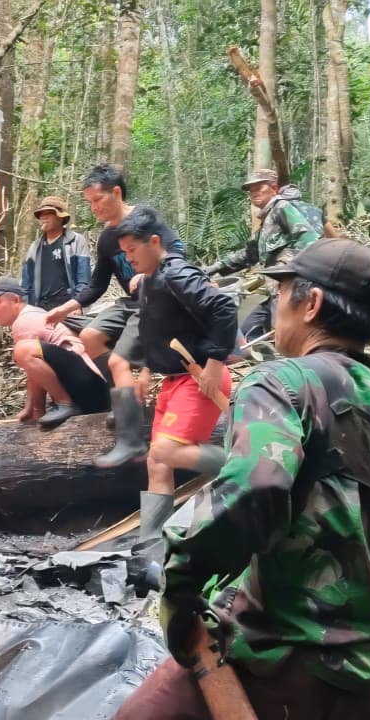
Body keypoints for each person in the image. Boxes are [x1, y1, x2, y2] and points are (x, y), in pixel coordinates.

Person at [115, 239, 370, 720]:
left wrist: (183, 582)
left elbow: (256, 488)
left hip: (277, 659)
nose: (274, 312)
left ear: (310, 305)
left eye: (281, 295)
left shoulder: (280, 382)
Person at [97, 206, 236, 568]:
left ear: (154, 242)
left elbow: (223, 306)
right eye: (124, 253)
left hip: (199, 377)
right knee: (158, 463)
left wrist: (214, 366)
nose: (128, 259)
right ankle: (151, 547)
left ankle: (243, 462)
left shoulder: (176, 273)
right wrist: (144, 372)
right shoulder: (150, 279)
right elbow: (154, 331)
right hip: (174, 379)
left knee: (165, 450)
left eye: (132, 251)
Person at [46, 165, 185, 436]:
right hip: (131, 303)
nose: (93, 208)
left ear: (117, 192)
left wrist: (150, 277)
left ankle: (130, 408)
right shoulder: (108, 238)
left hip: (160, 300)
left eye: (97, 200)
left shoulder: (146, 218)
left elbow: (178, 252)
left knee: (122, 354)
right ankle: (120, 397)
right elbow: (97, 284)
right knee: (89, 336)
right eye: (89, 203)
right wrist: (66, 308)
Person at [204, 168, 324, 341]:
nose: (254, 193)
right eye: (251, 190)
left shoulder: (282, 207)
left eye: (259, 188)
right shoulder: (267, 220)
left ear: (274, 188)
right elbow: (247, 255)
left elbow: (309, 238)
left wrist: (286, 266)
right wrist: (211, 269)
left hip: (288, 291)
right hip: (273, 291)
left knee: (283, 338)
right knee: (248, 332)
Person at [0, 276, 108, 428]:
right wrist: (30, 409)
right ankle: (62, 404)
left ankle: (65, 403)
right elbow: (35, 371)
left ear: (15, 300)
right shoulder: (33, 313)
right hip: (93, 389)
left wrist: (37, 411)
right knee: (25, 352)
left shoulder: (24, 321)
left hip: (90, 389)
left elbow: (29, 360)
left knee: (23, 350)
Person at [19, 196, 91, 311]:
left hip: (67, 307)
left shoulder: (75, 241)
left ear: (60, 217)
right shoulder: (35, 247)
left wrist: (78, 305)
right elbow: (26, 283)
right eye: (41, 214)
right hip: (40, 307)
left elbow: (83, 279)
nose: (44, 217)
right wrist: (23, 307)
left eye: (49, 213)